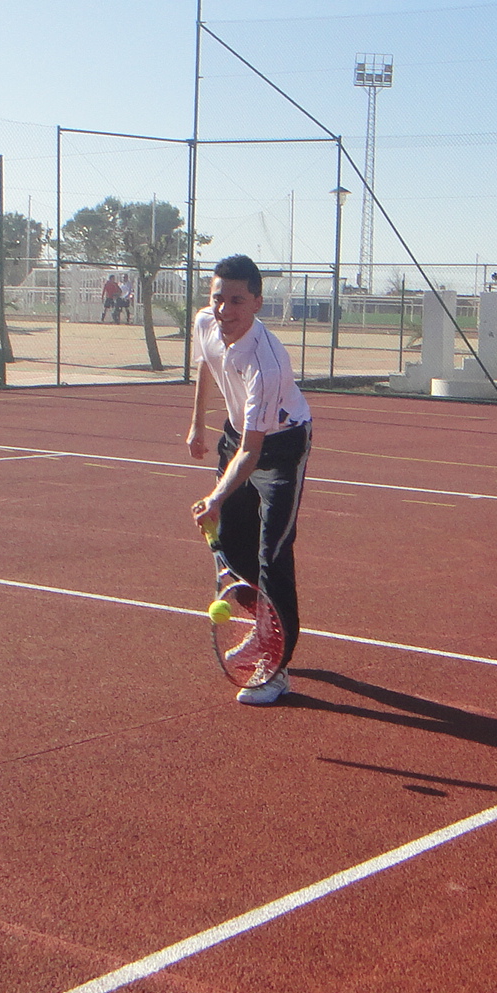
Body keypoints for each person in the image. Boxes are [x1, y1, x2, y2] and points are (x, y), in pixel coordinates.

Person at [187, 253, 312, 706]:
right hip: (235, 435)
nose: (224, 310)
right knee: (234, 544)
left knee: (272, 554)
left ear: (257, 303)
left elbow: (253, 452)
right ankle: (263, 629)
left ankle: (276, 671)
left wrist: (216, 496)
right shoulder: (206, 322)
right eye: (218, 298)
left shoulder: (268, 363)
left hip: (279, 447)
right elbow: (206, 364)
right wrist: (197, 424)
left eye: (237, 301)